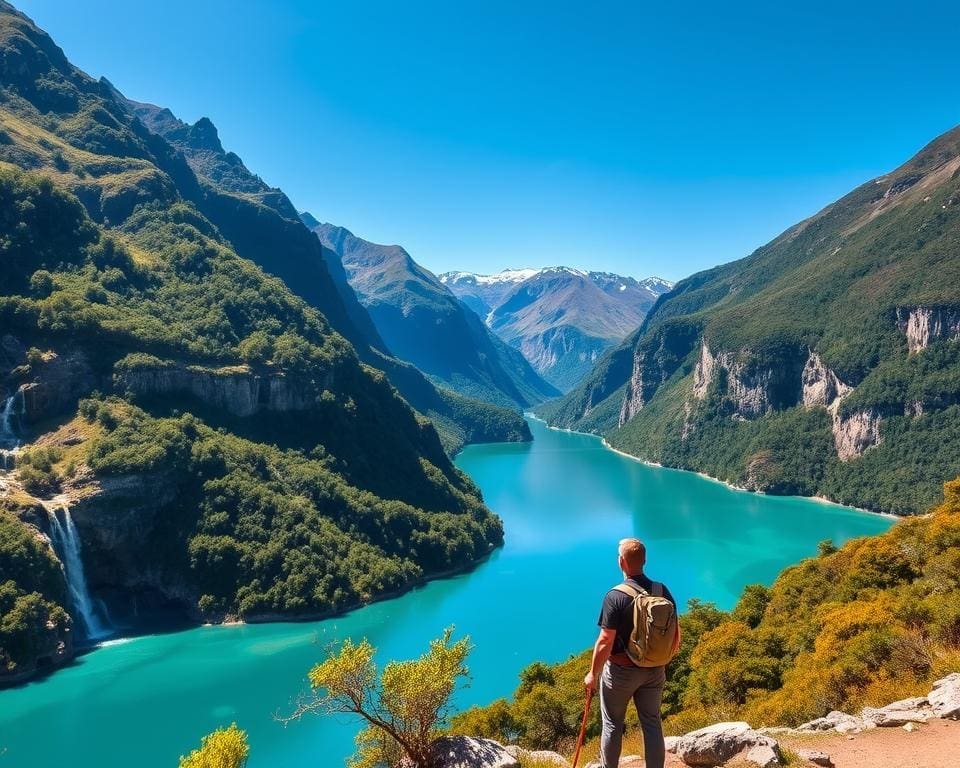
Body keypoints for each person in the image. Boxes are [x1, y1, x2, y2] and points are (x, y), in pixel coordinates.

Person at [583, 538, 680, 768]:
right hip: (655, 670)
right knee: (652, 722)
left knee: (613, 724)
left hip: (621, 673)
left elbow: (606, 640)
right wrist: (662, 660)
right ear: (644, 561)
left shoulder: (615, 596)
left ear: (621, 562)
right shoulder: (661, 590)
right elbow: (675, 631)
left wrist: (592, 674)